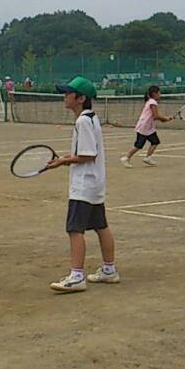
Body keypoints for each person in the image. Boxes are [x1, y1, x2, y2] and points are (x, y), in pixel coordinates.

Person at [48, 76, 119, 293]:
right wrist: (65, 158)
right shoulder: (91, 118)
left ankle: (76, 276)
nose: (65, 97)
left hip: (84, 185)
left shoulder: (82, 121)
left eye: (68, 93)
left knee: (74, 229)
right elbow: (85, 152)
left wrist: (63, 161)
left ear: (80, 98)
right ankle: (109, 270)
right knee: (100, 225)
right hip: (94, 183)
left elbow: (88, 155)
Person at [122, 85, 172, 167]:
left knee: (155, 142)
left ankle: (148, 158)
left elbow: (155, 117)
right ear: (154, 93)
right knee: (139, 146)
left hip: (149, 128)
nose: (160, 95)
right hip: (144, 127)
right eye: (159, 93)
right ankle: (126, 158)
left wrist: (164, 119)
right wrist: (165, 119)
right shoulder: (152, 102)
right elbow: (156, 116)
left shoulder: (151, 101)